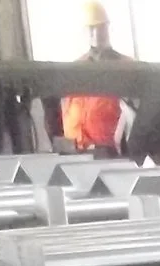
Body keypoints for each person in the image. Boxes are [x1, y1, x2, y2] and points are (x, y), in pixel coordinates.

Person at [60, 1, 129, 155]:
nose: (97, 34)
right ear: (84, 31)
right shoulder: (74, 69)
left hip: (111, 152)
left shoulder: (126, 67)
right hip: (75, 151)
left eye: (101, 28)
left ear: (108, 29)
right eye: (92, 28)